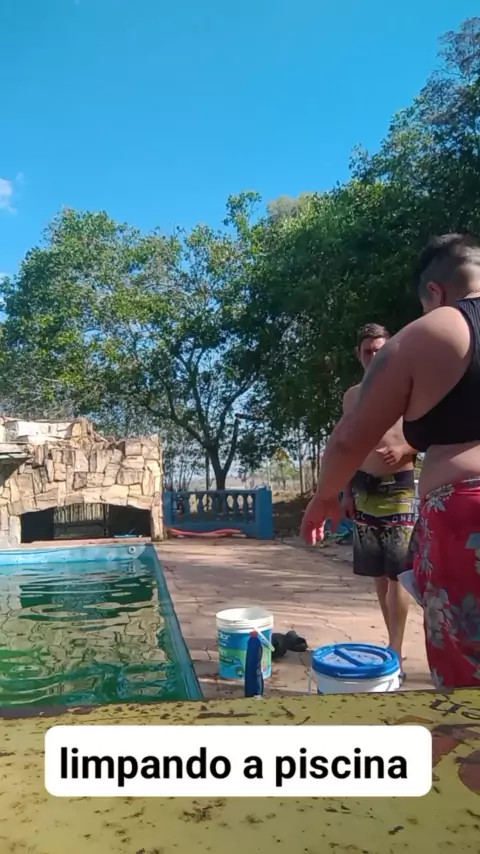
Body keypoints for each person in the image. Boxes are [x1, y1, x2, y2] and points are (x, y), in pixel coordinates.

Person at [300, 233, 480, 689]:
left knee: (467, 675)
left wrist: (324, 497)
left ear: (435, 291)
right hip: (379, 495)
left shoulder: (432, 332)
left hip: (464, 513)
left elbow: (348, 440)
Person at [340, 323, 417, 667]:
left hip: (399, 488)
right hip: (364, 490)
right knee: (379, 576)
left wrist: (405, 449)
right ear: (359, 354)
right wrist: (345, 492)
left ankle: (396, 651)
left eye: (380, 350)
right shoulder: (352, 397)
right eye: (368, 351)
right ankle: (391, 643)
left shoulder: (409, 389)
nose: (374, 356)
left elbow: (431, 434)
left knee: (398, 573)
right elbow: (348, 446)